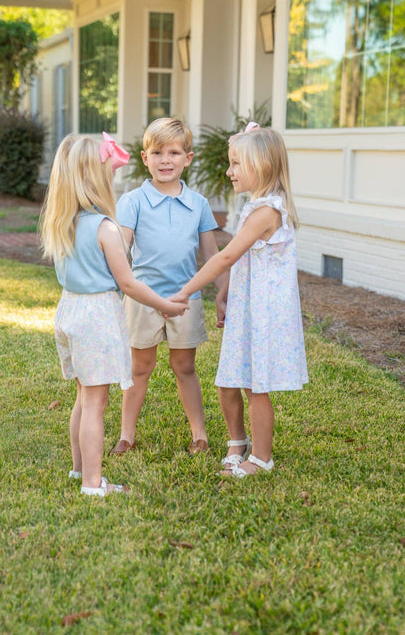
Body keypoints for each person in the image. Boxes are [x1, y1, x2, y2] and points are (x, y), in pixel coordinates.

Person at [40, 133, 188, 498]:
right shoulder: (104, 228)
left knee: (83, 396)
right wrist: (165, 306)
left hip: (70, 311)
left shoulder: (63, 222)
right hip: (97, 317)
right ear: (96, 180)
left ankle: (79, 469)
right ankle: (93, 484)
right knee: (95, 403)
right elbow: (130, 284)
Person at [172, 125, 308, 477]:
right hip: (246, 306)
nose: (229, 172)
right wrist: (224, 293)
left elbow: (226, 257)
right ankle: (238, 441)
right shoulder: (253, 206)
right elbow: (244, 263)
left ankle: (262, 458)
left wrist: (187, 290)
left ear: (261, 166)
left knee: (254, 386)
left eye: (235, 164)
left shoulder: (268, 212)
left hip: (263, 312)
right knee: (228, 378)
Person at [110, 118, 227, 456]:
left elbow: (211, 254)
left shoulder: (199, 204)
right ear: (144, 157)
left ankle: (199, 435)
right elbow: (121, 249)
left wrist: (222, 290)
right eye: (157, 152)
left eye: (174, 152)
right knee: (140, 367)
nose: (165, 160)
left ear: (187, 158)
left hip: (185, 298)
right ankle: (126, 436)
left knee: (184, 367)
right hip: (143, 298)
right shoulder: (132, 201)